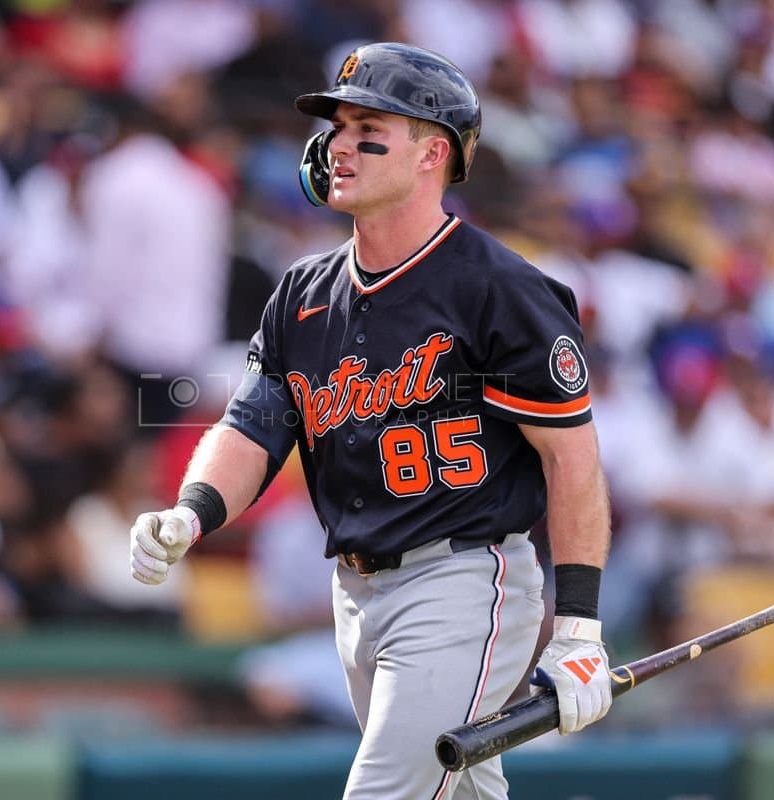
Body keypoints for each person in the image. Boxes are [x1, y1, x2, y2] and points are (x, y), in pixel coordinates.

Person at [130, 43, 613, 800]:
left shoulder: (501, 290)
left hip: (462, 579)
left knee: (386, 792)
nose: (339, 144)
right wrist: (191, 512)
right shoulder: (302, 291)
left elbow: (572, 461)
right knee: (457, 793)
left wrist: (578, 627)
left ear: (432, 154)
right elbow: (253, 425)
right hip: (354, 593)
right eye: (338, 126)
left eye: (367, 127)